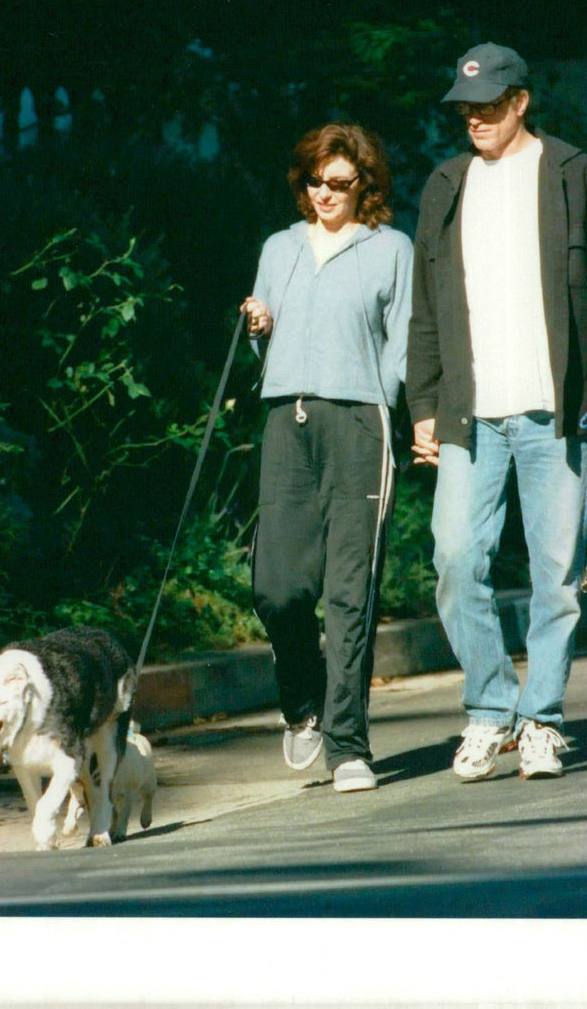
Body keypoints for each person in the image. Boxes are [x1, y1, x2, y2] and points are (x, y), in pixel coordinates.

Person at [407, 42, 587, 781]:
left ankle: (540, 720)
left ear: (520, 102)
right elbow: (425, 311)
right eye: (464, 107)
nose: (473, 117)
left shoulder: (573, 175)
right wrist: (422, 404)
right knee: (453, 558)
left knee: (557, 574)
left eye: (486, 106)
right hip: (470, 414)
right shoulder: (447, 185)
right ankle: (489, 711)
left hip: (556, 412)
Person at [241, 122, 413, 793]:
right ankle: (303, 698)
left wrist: (391, 406)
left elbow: (401, 341)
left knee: (349, 592)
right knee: (276, 587)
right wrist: (259, 324)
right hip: (288, 416)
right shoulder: (279, 248)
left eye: (339, 183)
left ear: (364, 185)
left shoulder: (389, 249)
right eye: (315, 181)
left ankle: (347, 747)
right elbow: (266, 337)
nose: (325, 194)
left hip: (359, 423)